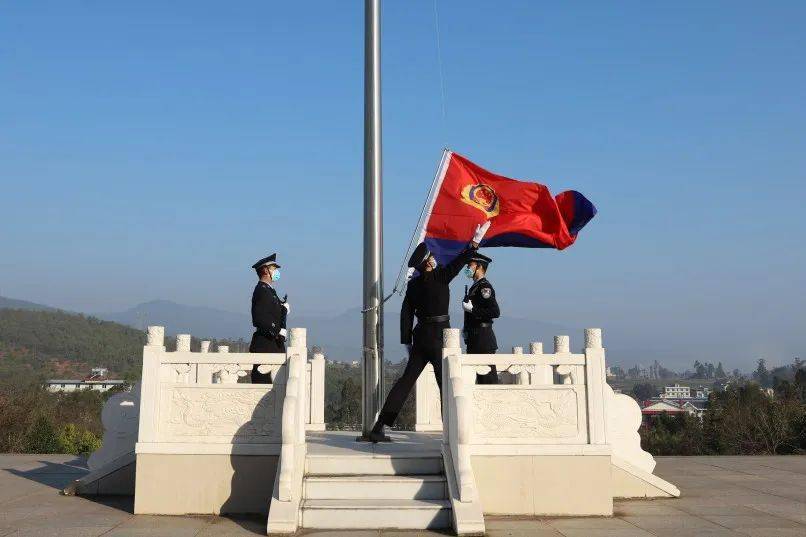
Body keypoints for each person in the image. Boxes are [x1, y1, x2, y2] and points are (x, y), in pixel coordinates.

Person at [367, 221, 491, 442]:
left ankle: (380, 426)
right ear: (428, 263)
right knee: (445, 382)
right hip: (440, 336)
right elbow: (462, 259)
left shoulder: (413, 286)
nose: (434, 258)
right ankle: (450, 430)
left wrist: (407, 340)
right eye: (431, 257)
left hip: (419, 336)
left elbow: (406, 314)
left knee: (406, 381)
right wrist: (474, 242)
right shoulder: (442, 276)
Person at [249, 253, 289, 383]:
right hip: (266, 345)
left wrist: (282, 309)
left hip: (273, 345)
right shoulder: (262, 290)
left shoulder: (269, 290)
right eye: (273, 268)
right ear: (266, 270)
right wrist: (276, 331)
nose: (276, 271)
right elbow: (259, 318)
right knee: (264, 386)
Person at [461, 252, 500, 384]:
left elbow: (495, 311)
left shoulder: (484, 287)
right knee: (477, 380)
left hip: (483, 338)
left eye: (470, 265)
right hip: (474, 337)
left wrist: (473, 310)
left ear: (479, 267)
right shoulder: (475, 286)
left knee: (488, 380)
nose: (467, 268)